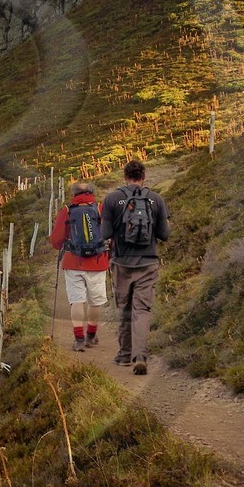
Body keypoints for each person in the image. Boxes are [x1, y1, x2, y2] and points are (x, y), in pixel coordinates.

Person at [101, 159, 170, 375]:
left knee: (124, 308)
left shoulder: (112, 199)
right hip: (148, 263)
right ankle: (140, 356)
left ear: (125, 177)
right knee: (142, 310)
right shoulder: (156, 199)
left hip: (121, 263)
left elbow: (105, 234)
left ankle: (124, 355)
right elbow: (165, 234)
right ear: (144, 176)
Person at [49, 181, 108, 351]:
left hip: (73, 262)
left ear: (74, 194)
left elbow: (56, 241)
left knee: (77, 301)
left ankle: (79, 339)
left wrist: (62, 245)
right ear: (92, 192)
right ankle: (91, 336)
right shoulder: (100, 209)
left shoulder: (67, 211)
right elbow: (109, 234)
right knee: (94, 302)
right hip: (98, 262)